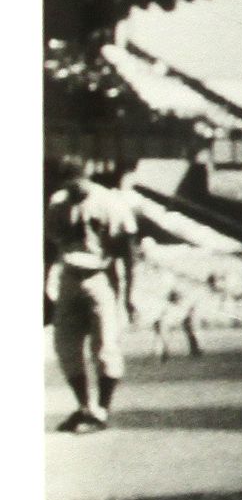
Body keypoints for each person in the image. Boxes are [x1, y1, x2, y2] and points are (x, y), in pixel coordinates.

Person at [46, 156, 142, 432]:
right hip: (69, 277)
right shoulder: (58, 203)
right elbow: (49, 246)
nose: (74, 190)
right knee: (65, 346)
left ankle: (101, 410)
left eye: (78, 183)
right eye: (68, 184)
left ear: (87, 178)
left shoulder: (109, 202)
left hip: (101, 276)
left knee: (105, 347)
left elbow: (129, 251)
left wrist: (129, 293)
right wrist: (44, 285)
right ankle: (85, 407)